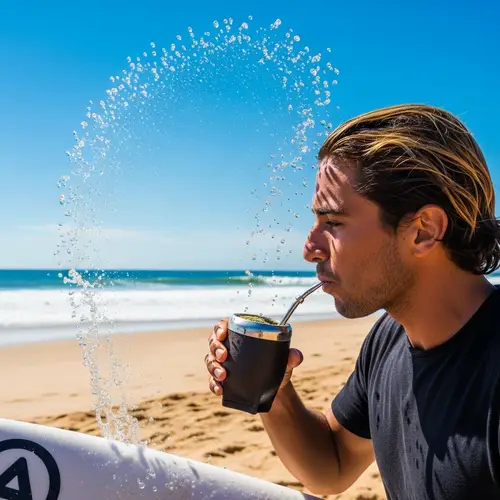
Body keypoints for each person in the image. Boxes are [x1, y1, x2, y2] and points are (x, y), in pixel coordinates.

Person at [204, 103, 500, 499]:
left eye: (334, 223)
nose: (310, 249)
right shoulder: (389, 341)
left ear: (423, 231)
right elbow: (332, 466)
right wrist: (272, 393)